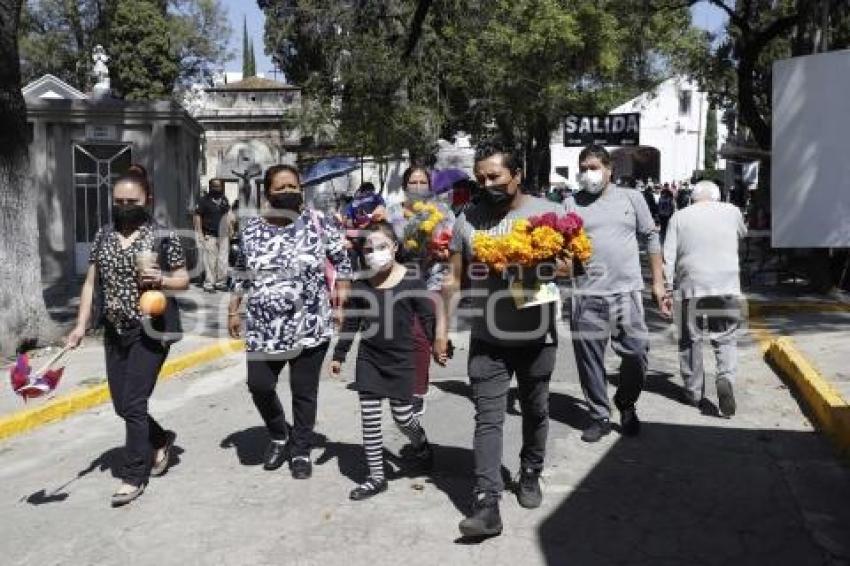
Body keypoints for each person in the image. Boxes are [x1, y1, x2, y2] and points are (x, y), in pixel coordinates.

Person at [436, 140, 573, 539]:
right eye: (481, 178)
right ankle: (486, 502)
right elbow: (453, 279)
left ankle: (530, 471)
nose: (487, 183)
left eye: (495, 176)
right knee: (487, 418)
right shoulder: (468, 220)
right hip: (487, 337)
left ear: (517, 175)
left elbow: (571, 265)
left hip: (536, 336)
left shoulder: (548, 212)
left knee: (535, 410)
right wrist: (441, 330)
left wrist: (541, 262)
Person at [66, 172, 189, 507]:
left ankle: (134, 475)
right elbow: (91, 283)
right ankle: (160, 438)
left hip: (150, 329)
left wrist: (162, 278)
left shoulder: (162, 236)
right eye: (118, 202)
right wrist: (80, 326)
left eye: (131, 202)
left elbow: (183, 279)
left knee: (134, 403)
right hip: (114, 329)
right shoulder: (103, 235)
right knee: (123, 405)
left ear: (146, 199)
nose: (123, 208)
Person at [228, 165, 352, 479]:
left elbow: (343, 262)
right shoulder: (251, 229)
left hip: (310, 323)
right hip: (262, 326)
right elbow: (241, 271)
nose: (287, 192)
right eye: (280, 188)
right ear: (267, 192)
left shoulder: (319, 222)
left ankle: (300, 450)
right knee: (259, 385)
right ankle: (279, 433)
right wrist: (233, 309)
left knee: (304, 390)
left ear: (301, 188)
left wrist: (341, 302)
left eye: (292, 186)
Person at [330, 222, 445, 500]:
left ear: (394, 247)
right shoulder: (361, 284)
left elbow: (427, 316)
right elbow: (352, 323)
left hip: (401, 358)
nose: (375, 253)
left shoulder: (411, 280)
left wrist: (436, 345)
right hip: (369, 358)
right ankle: (376, 477)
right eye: (369, 249)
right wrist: (339, 355)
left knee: (403, 417)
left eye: (381, 246)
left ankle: (421, 446)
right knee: (370, 419)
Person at [570, 145, 669, 444]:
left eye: (594, 167)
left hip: (626, 291)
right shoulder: (570, 204)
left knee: (637, 353)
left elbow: (651, 236)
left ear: (609, 168)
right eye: (584, 168)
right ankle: (599, 415)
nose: (589, 174)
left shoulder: (632, 198)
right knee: (590, 359)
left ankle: (626, 402)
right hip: (586, 294)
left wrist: (658, 282)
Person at [663, 180, 746, 416]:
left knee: (690, 340)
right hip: (726, 286)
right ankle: (726, 378)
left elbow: (668, 255)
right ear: (717, 196)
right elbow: (742, 233)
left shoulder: (679, 217)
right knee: (726, 338)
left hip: (691, 287)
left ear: (692, 197)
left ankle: (692, 391)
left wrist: (667, 290)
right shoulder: (732, 211)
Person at [388, 165, 454, 416]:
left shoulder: (441, 211)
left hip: (432, 280)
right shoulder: (393, 212)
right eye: (413, 183)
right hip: (401, 280)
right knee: (404, 334)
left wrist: (441, 251)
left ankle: (418, 391)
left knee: (418, 334)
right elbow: (385, 242)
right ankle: (406, 376)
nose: (417, 187)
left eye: (422, 182)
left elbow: (453, 244)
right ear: (405, 186)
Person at [194, 178, 231, 292]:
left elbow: (227, 214)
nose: (217, 189)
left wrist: (231, 229)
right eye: (215, 186)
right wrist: (199, 233)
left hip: (223, 235)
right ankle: (209, 283)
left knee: (223, 260)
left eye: (219, 186)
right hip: (209, 234)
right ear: (210, 187)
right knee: (210, 260)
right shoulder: (203, 201)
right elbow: (197, 217)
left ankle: (221, 282)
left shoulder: (224, 200)